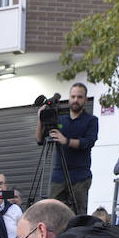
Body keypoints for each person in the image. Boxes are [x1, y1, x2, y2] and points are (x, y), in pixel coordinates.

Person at [36, 83, 98, 214]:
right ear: (69, 98)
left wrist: (66, 141)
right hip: (59, 175)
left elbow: (88, 142)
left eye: (79, 97)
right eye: (73, 96)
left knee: (77, 215)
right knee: (52, 213)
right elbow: (40, 140)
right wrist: (40, 119)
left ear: (86, 99)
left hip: (80, 176)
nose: (76, 100)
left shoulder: (91, 120)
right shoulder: (60, 119)